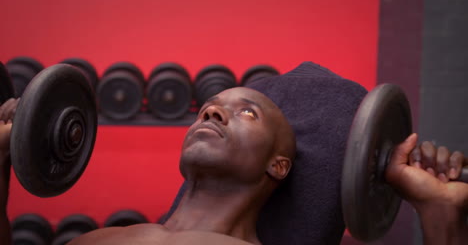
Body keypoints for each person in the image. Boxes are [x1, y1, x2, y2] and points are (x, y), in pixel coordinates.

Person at [0, 87, 467, 245]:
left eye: (248, 112)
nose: (211, 111)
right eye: (208, 107)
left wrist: (441, 215)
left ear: (279, 165)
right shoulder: (93, 240)